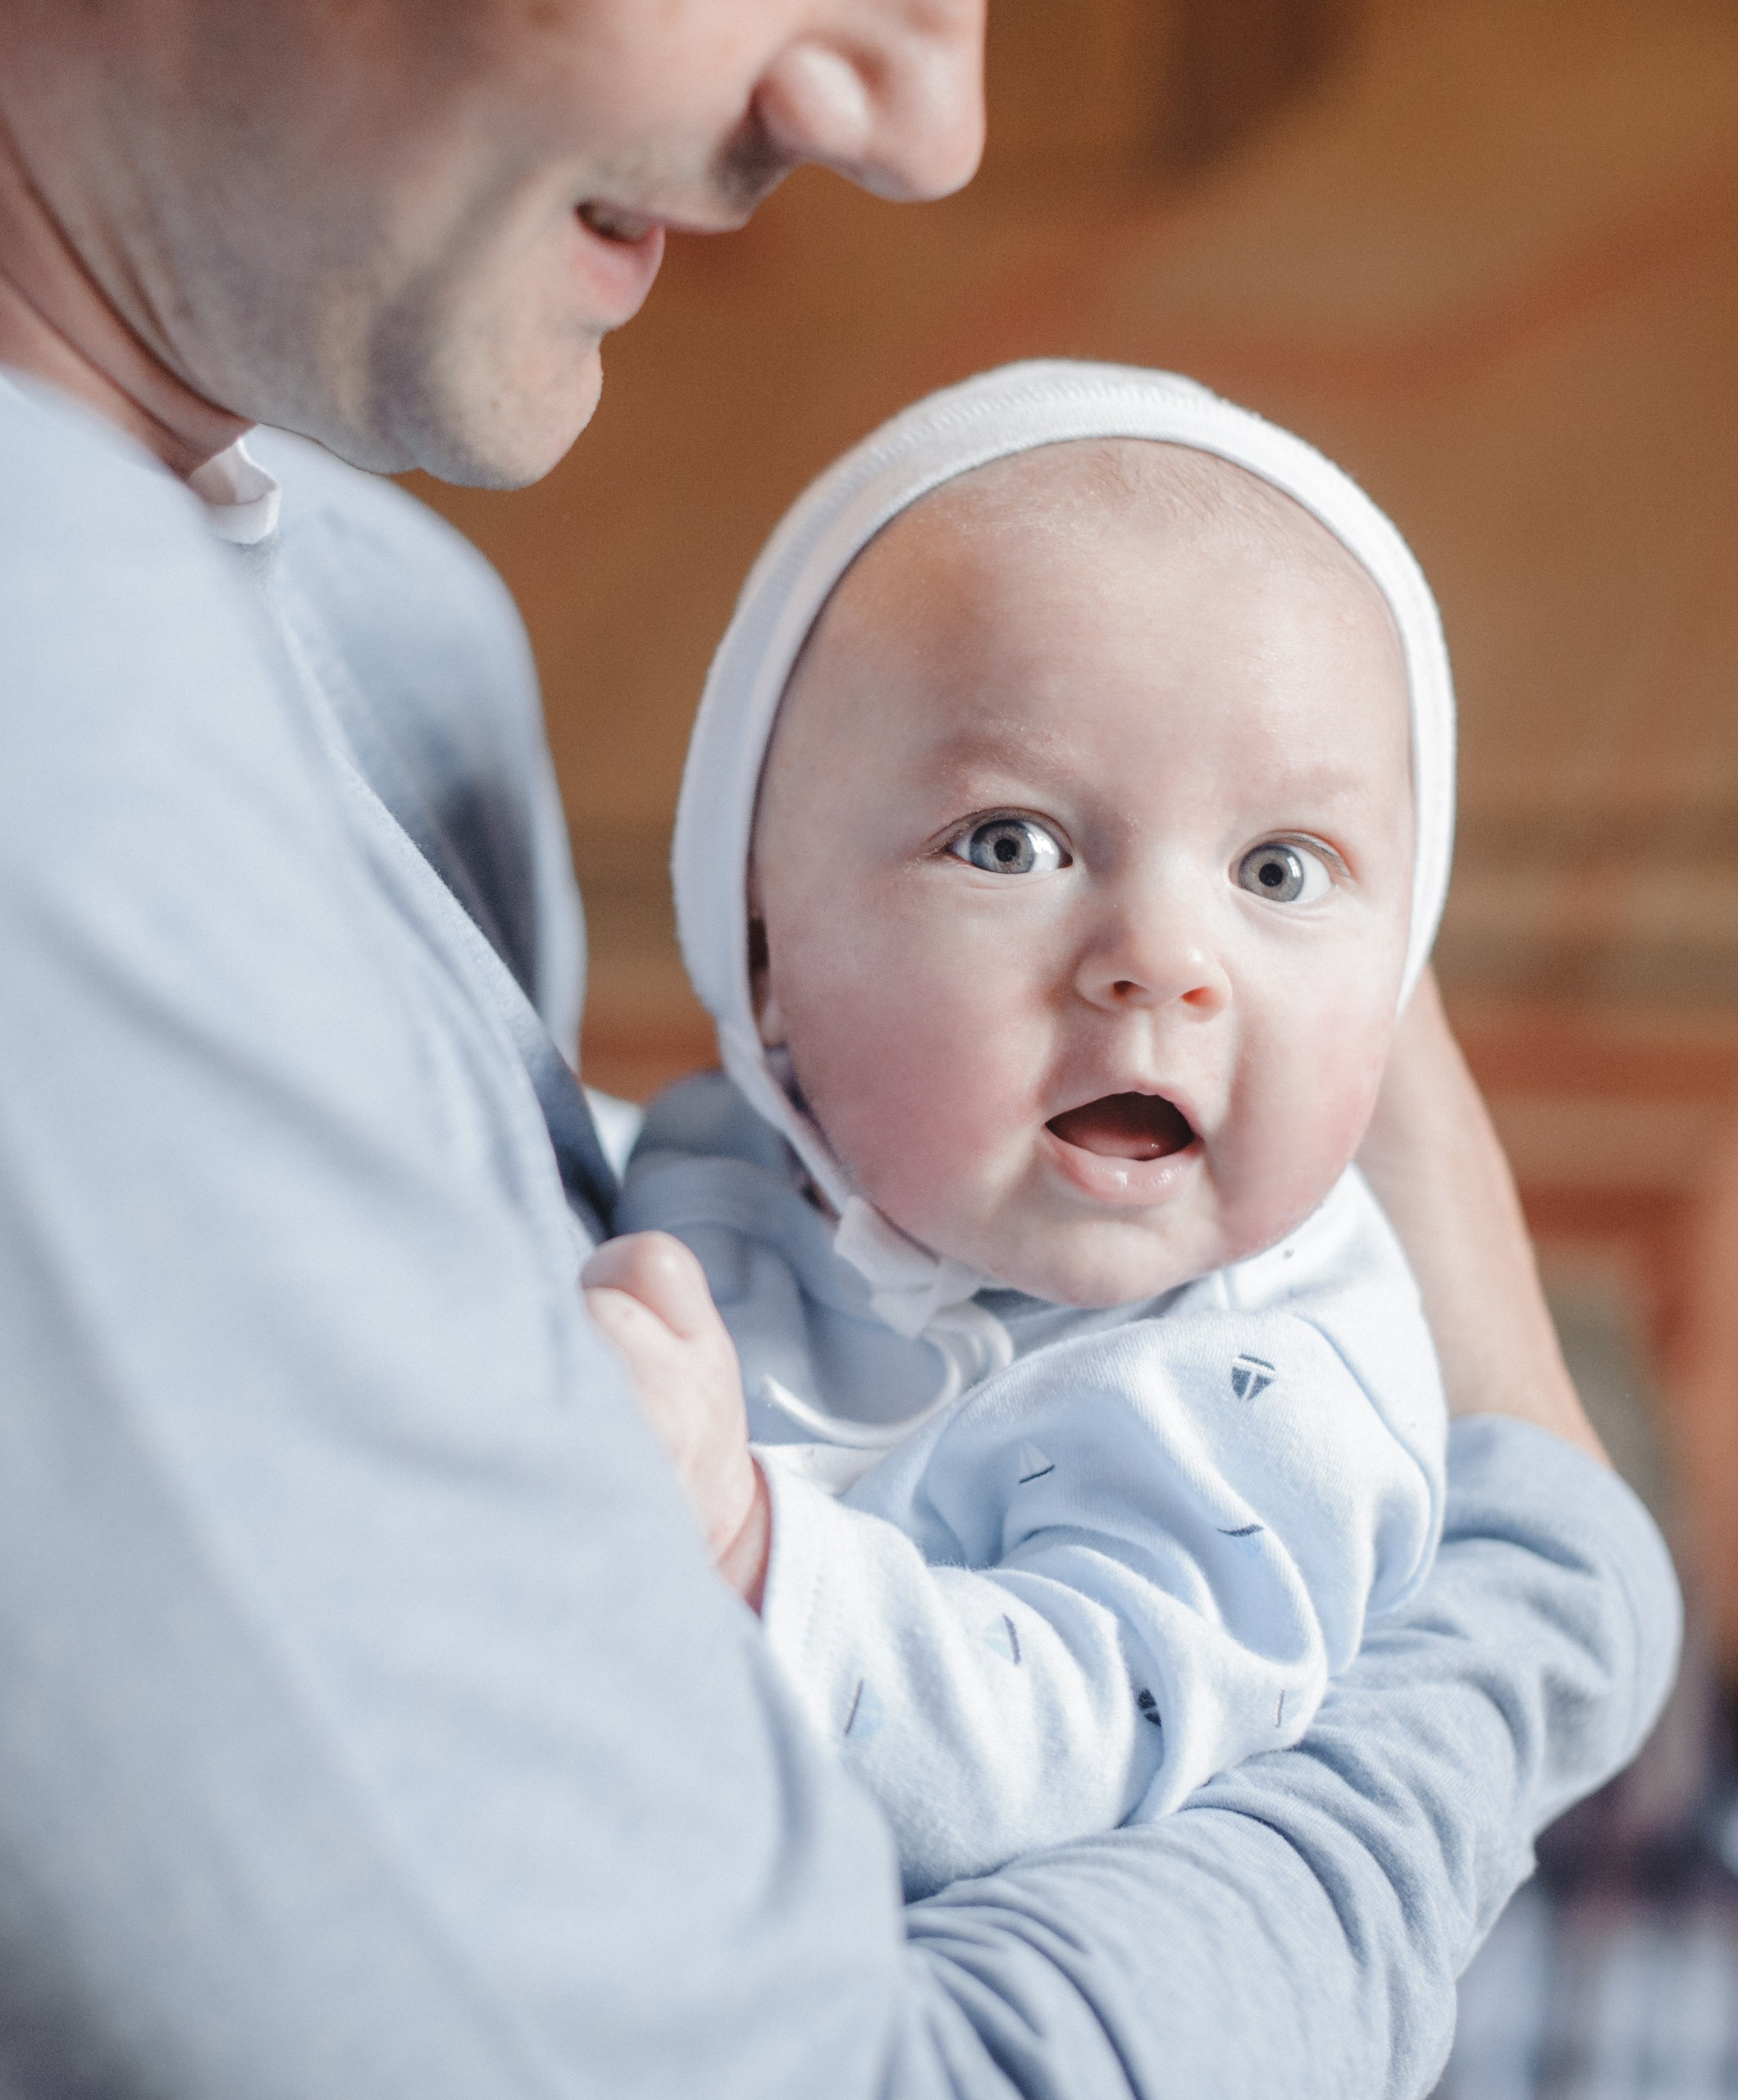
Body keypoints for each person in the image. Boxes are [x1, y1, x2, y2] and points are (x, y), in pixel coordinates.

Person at [0, 6, 1677, 2099]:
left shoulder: (372, 622)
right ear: (769, 946)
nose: (913, 120)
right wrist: (1522, 1603)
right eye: (1003, 841)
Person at [600, 363, 1459, 1898]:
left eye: (1280, 871)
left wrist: (739, 1546)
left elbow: (1070, 1738)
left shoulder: (1264, 1397)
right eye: (1015, 843)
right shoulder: (740, 1156)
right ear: (767, 952)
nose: (1164, 956)